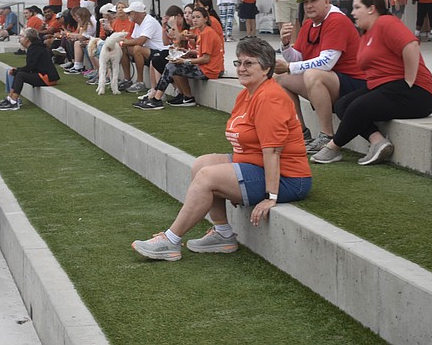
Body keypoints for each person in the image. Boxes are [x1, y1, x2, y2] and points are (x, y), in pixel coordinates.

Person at [131, 37, 311, 261]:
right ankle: (223, 234)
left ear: (266, 68)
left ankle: (170, 240)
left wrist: (270, 196)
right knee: (202, 164)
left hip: (289, 178)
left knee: (208, 176)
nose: (242, 68)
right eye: (239, 63)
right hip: (257, 164)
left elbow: (273, 151)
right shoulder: (247, 93)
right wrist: (232, 179)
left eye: (249, 63)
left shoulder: (270, 98)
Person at [311, 0, 432, 166]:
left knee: (358, 107)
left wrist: (408, 80)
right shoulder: (366, 35)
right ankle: (378, 141)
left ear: (372, 9)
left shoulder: (386, 22)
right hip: (385, 87)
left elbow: (411, 45)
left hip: (417, 92)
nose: (353, 13)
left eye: (357, 8)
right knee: (342, 104)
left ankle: (333, 148)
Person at [274, 0, 365, 153]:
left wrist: (289, 66)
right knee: (279, 79)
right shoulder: (309, 23)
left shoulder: (337, 20)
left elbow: (326, 62)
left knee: (312, 75)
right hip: (333, 82)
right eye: (306, 2)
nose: (308, 6)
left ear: (326, 1)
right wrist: (285, 45)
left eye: (313, 1)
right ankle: (300, 132)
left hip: (354, 84)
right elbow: (298, 56)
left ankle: (327, 135)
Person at [134, 6, 223, 110]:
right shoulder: (203, 32)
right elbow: (200, 53)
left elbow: (206, 59)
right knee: (170, 64)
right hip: (204, 67)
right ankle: (180, 96)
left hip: (209, 70)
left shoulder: (207, 33)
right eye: (193, 17)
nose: (194, 20)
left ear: (205, 19)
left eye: (198, 17)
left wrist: (185, 61)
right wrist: (188, 52)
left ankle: (156, 98)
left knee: (172, 66)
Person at [0, 28, 60, 111]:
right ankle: (10, 98)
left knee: (20, 74)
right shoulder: (34, 47)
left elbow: (30, 67)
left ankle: (14, 101)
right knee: (18, 73)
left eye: (22, 36)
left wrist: (17, 70)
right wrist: (17, 70)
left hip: (47, 77)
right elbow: (31, 66)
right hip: (42, 74)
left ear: (27, 39)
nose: (20, 38)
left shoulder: (35, 48)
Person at [118, 2, 167, 93]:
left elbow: (140, 41)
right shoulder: (138, 22)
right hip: (149, 50)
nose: (128, 15)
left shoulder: (149, 21)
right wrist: (123, 43)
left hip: (159, 51)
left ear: (136, 14)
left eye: (129, 13)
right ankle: (127, 79)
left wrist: (124, 42)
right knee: (124, 47)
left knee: (137, 49)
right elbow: (133, 39)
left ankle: (140, 82)